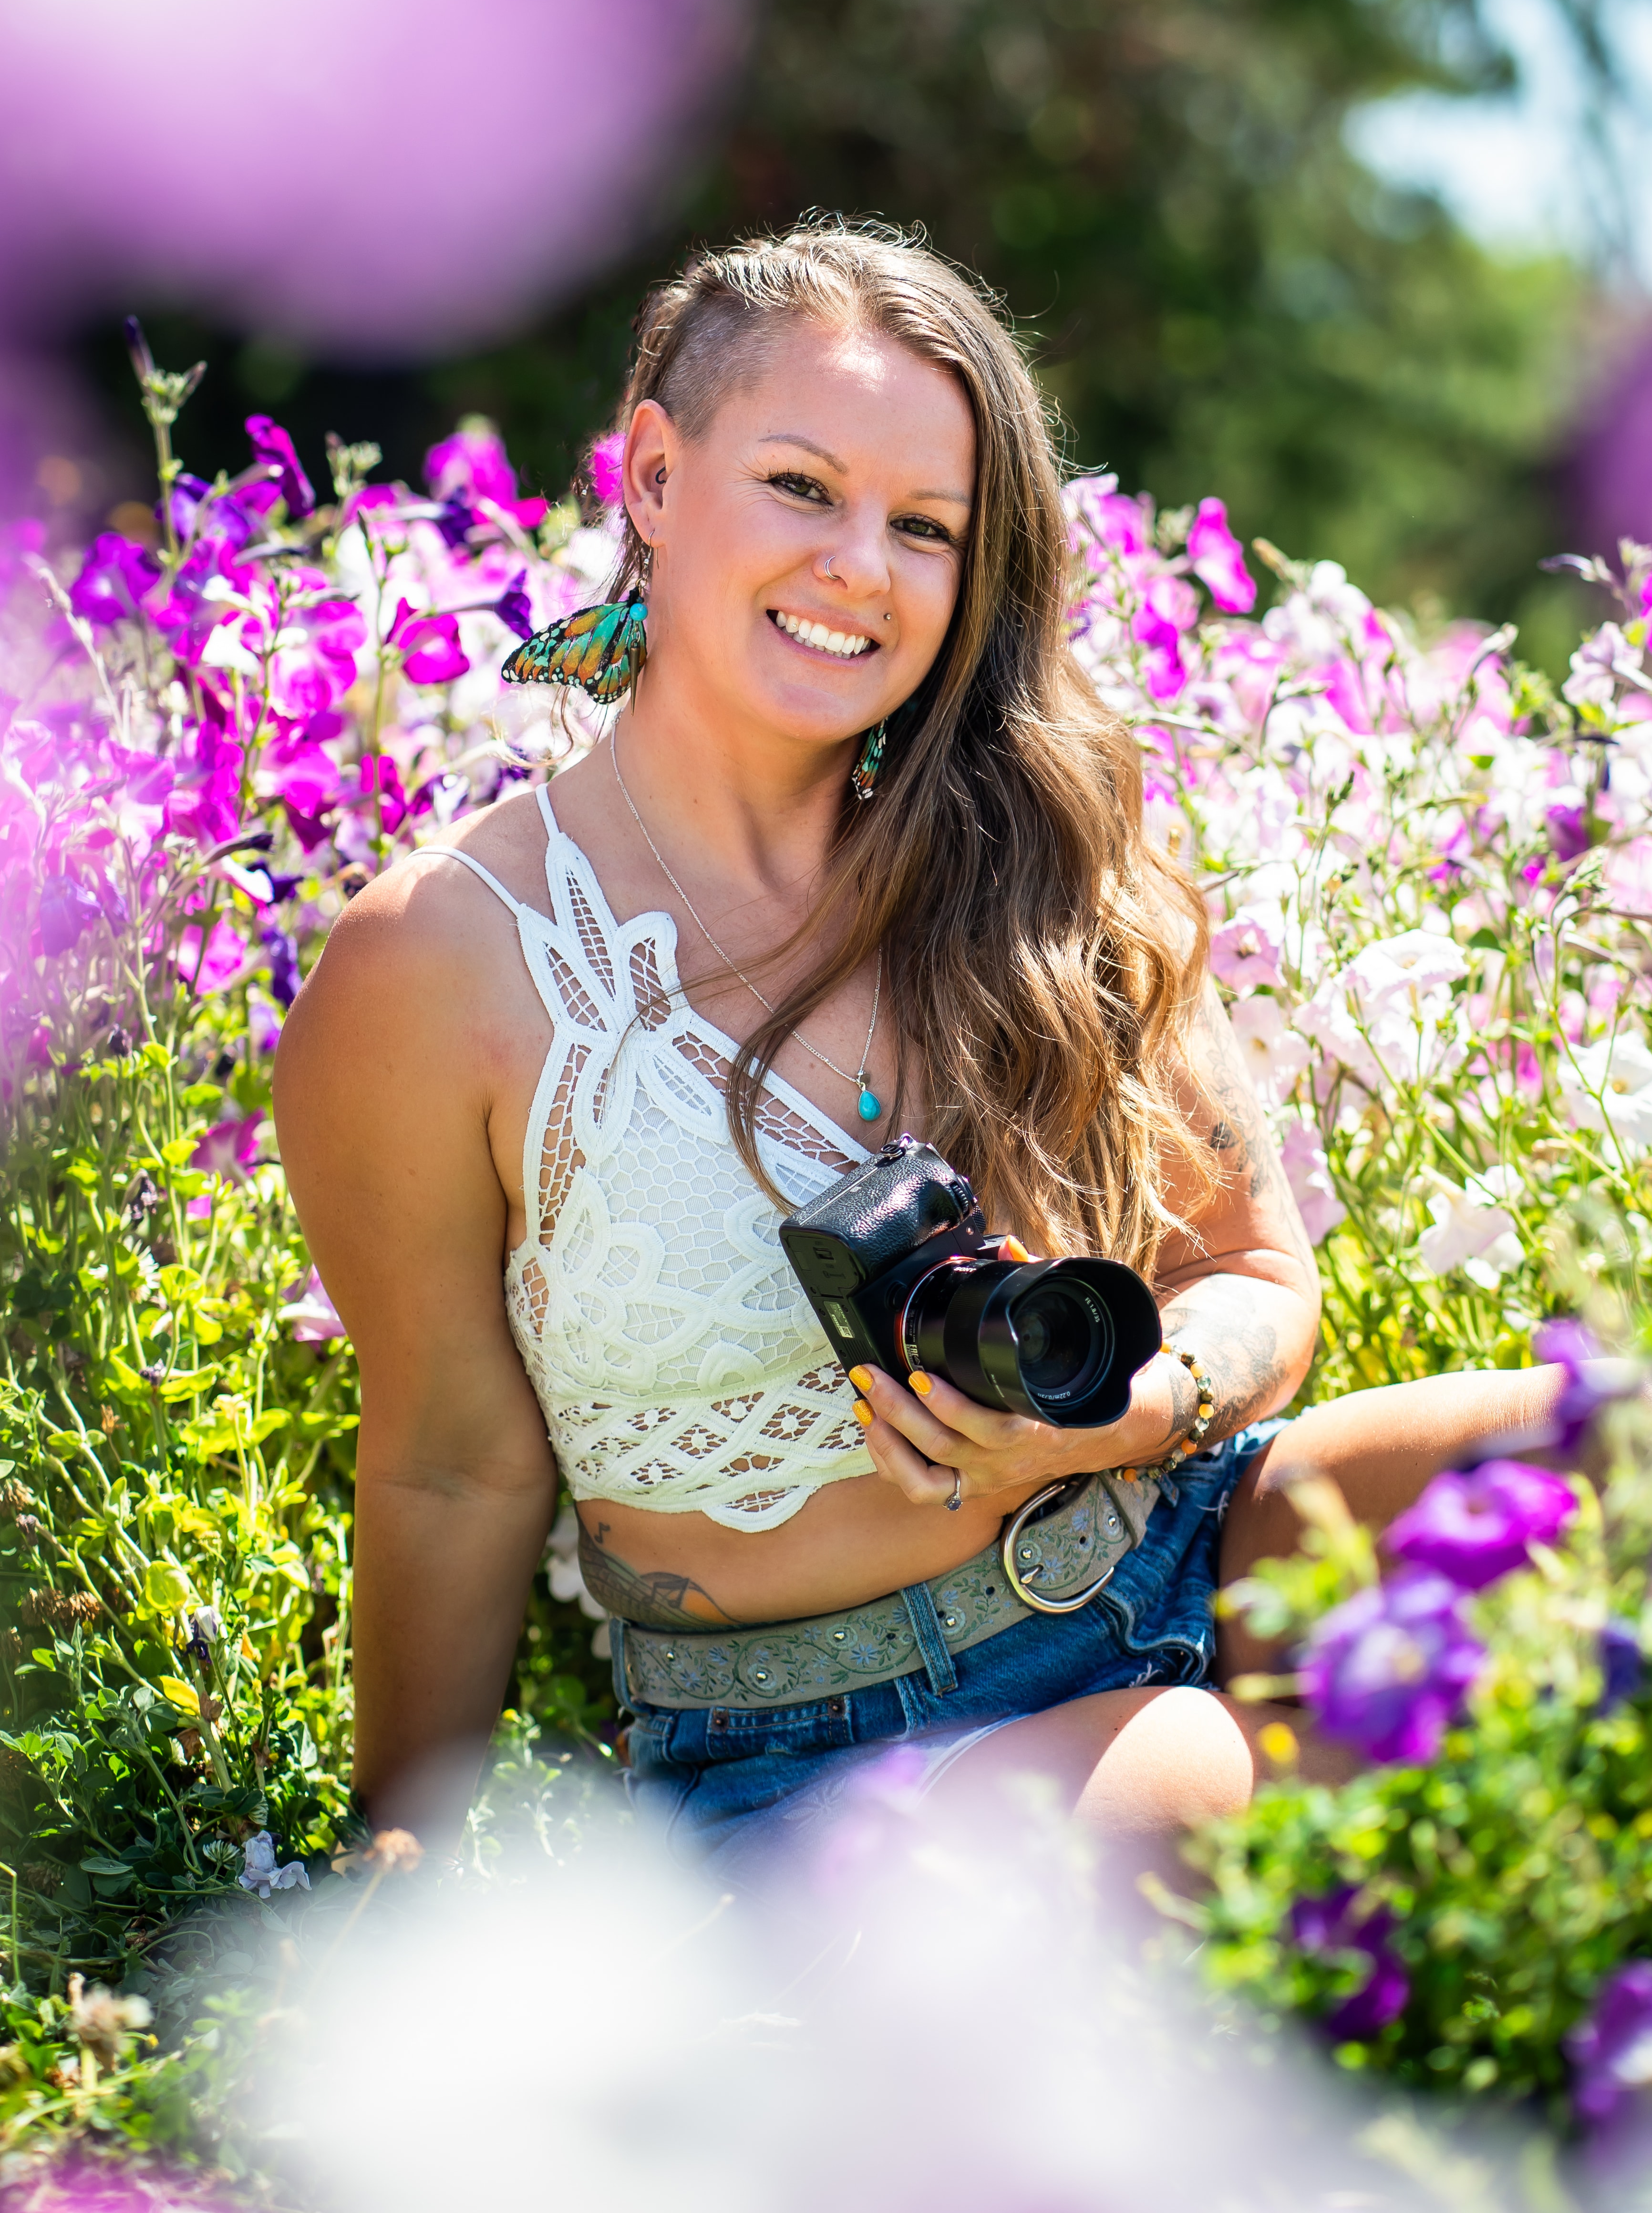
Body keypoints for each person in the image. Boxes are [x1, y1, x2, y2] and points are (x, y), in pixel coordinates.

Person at [275, 222, 1560, 1881]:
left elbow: (1250, 1270)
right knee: (1200, 1784)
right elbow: (452, 1470)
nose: (860, 570)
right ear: (654, 475)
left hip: (1183, 1545)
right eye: (800, 487)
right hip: (814, 1763)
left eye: (925, 526)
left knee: (1633, 1449)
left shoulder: (1040, 850)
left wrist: (1127, 1412)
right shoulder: (440, 958)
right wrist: (398, 1861)